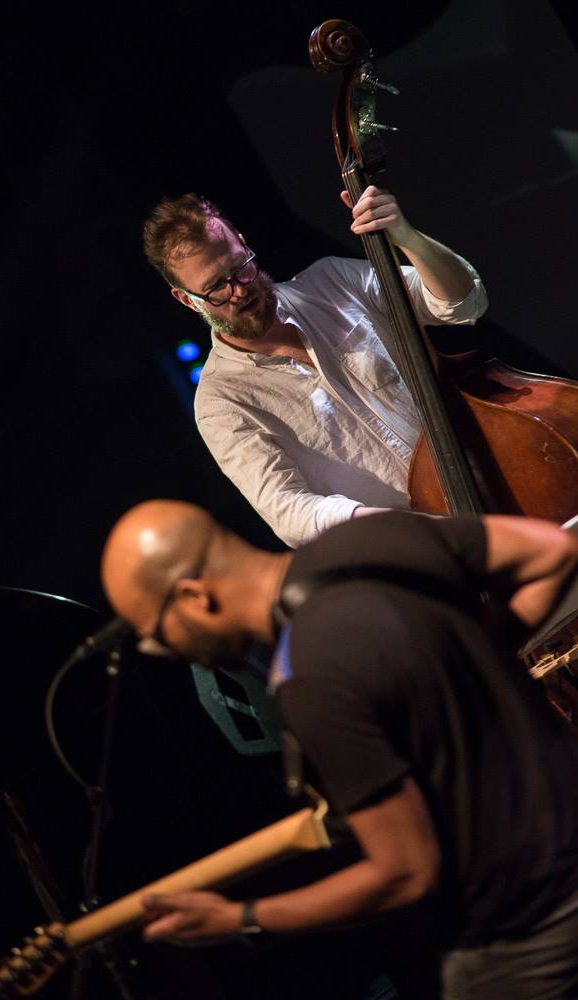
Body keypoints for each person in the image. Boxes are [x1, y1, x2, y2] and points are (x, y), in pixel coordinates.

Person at [101, 500, 578, 1000]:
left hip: (531, 935)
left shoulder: (308, 680)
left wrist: (239, 917)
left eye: (158, 636)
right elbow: (555, 550)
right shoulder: (379, 538)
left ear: (195, 595)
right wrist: (475, 657)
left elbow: (406, 873)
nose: (169, 652)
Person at [142, 191, 488, 547]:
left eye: (239, 267)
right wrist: (415, 528)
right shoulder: (221, 404)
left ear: (244, 245)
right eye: (215, 287)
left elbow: (462, 304)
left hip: (490, 468)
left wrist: (407, 236)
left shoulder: (332, 281)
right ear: (186, 299)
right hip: (419, 545)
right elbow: (289, 510)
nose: (239, 291)